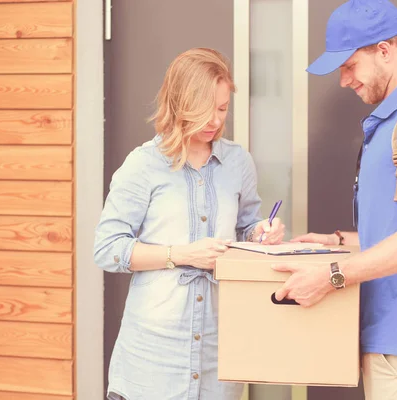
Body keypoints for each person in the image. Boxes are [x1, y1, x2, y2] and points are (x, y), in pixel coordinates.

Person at [272, 1, 397, 399]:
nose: (344, 81)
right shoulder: (392, 120)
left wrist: (330, 277)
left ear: (384, 50)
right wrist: (334, 243)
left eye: (349, 66)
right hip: (387, 346)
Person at [94, 47, 285, 400]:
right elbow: (108, 249)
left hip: (219, 349)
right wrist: (182, 254)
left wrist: (262, 232)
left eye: (222, 108)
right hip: (153, 357)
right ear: (180, 104)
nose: (215, 120)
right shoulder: (143, 165)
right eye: (205, 110)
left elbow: (245, 228)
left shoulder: (237, 162)